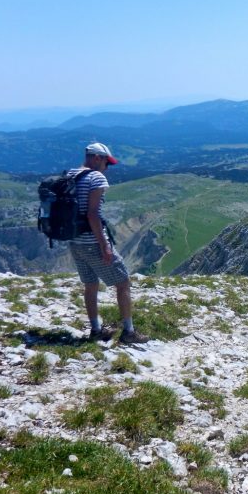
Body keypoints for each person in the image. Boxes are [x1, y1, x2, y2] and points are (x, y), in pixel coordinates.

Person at [68, 142, 149, 345]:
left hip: (74, 240)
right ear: (97, 158)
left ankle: (96, 329)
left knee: (91, 284)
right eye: (106, 162)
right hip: (92, 240)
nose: (107, 167)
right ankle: (128, 332)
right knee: (123, 282)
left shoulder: (71, 174)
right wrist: (104, 245)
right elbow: (93, 214)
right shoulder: (96, 177)